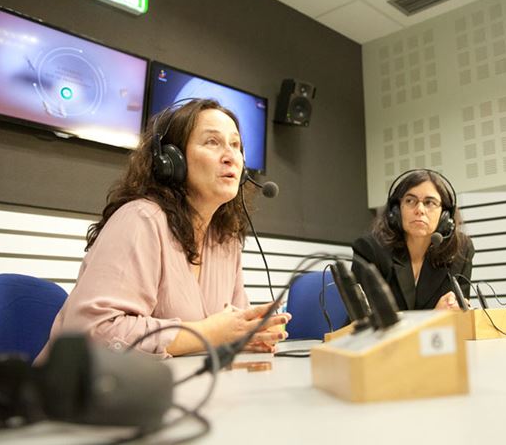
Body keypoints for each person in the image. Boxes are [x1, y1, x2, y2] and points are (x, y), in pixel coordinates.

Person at [35, 99, 289, 364]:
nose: (230, 156)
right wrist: (209, 333)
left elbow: (231, 325)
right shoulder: (141, 220)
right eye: (212, 142)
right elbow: (94, 332)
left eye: (235, 145)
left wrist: (250, 334)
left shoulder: (226, 240)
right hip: (79, 396)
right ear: (171, 159)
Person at [351, 169, 475, 311]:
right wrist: (433, 317)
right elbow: (367, 318)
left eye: (430, 203)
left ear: (445, 216)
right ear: (396, 211)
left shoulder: (460, 250)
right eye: (410, 201)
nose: (420, 210)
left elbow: (459, 315)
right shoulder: (370, 249)